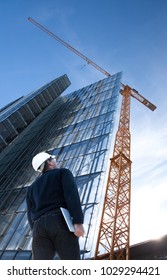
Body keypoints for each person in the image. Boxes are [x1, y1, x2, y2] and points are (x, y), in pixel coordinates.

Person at [26, 151, 84, 260]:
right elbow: (71, 196)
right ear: (49, 163)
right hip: (59, 220)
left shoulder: (31, 188)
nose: (55, 162)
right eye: (53, 160)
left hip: (38, 228)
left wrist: (35, 231)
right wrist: (78, 222)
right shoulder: (62, 173)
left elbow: (29, 214)